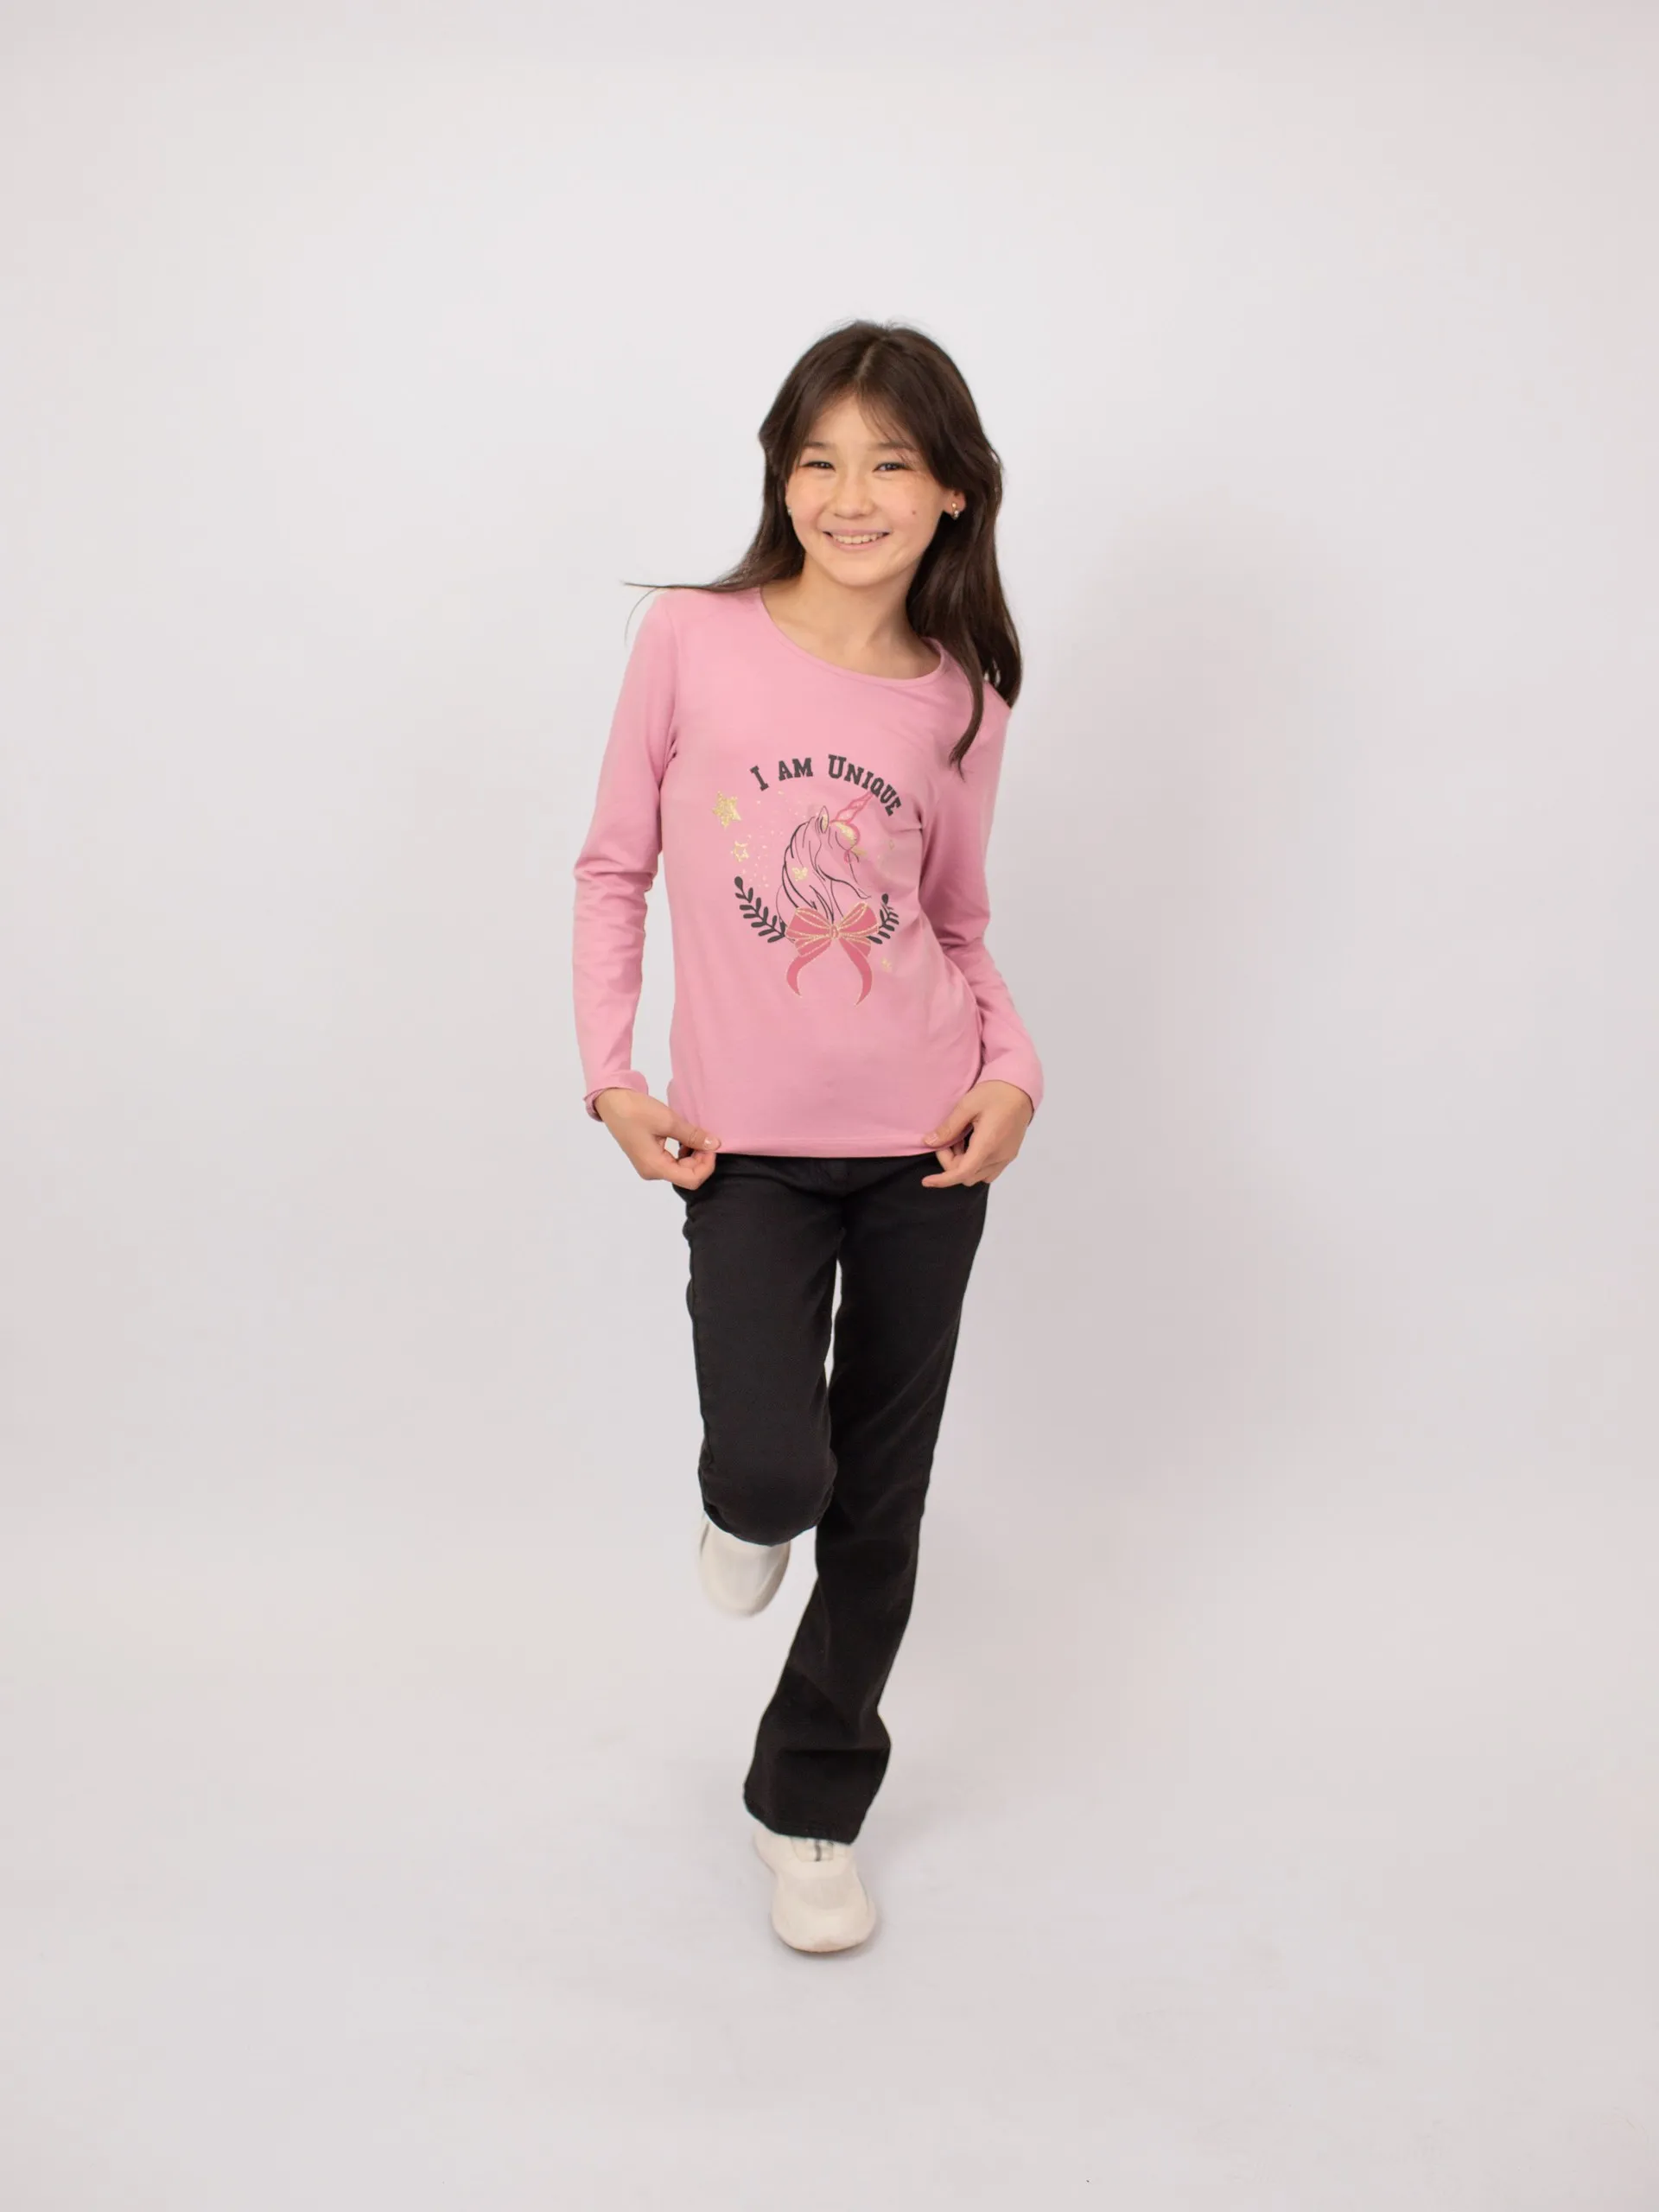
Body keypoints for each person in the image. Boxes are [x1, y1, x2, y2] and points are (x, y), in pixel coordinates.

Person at [570, 319, 1044, 1955]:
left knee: (882, 1501)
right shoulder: (691, 638)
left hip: (929, 1147)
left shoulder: (962, 694)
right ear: (781, 475)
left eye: (891, 464)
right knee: (779, 1472)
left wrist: (1015, 1074)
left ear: (955, 492)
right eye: (819, 459)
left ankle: (809, 1804)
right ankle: (748, 1499)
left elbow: (958, 926)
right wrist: (610, 1074)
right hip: (744, 1151)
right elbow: (613, 869)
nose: (851, 496)